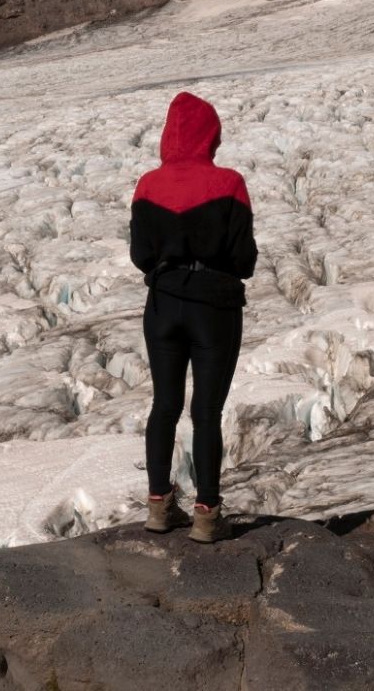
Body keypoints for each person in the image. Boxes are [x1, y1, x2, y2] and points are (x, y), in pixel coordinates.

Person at [128, 91, 257, 543]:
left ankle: (159, 508)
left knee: (164, 405)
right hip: (212, 309)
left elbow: (141, 255)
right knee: (206, 410)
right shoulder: (229, 184)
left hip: (162, 306)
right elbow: (243, 259)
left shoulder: (147, 185)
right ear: (210, 135)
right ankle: (206, 515)